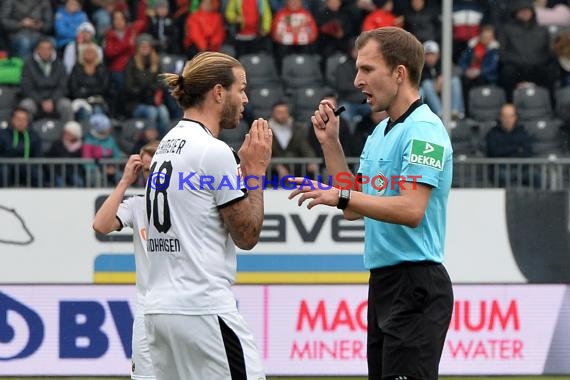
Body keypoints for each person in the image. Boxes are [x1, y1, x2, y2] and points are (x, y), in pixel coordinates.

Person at [288, 27, 454, 380]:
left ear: (399, 72)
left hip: (416, 283)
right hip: (384, 283)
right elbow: (351, 208)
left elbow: (411, 210)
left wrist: (342, 194)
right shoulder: (380, 131)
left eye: (367, 69)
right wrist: (330, 144)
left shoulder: (424, 129)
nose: (357, 79)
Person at [144, 51, 271, 379]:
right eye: (240, 89)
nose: (245, 98)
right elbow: (247, 235)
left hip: (159, 309)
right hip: (202, 309)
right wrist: (254, 172)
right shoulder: (213, 151)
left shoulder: (167, 144)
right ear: (218, 92)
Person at [92, 141, 158, 380]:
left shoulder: (188, 202)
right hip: (147, 310)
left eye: (158, 168)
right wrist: (124, 182)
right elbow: (100, 225)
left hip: (185, 309)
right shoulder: (137, 205)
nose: (153, 175)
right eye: (148, 170)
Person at [485, 102, 537, 187]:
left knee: (536, 176)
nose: (508, 119)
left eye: (511, 116)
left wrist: (505, 151)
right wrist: (516, 148)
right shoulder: (493, 133)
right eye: (505, 116)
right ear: (500, 117)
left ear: (515, 117)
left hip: (521, 168)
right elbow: (494, 152)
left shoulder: (522, 132)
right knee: (502, 176)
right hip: (502, 169)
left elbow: (528, 151)